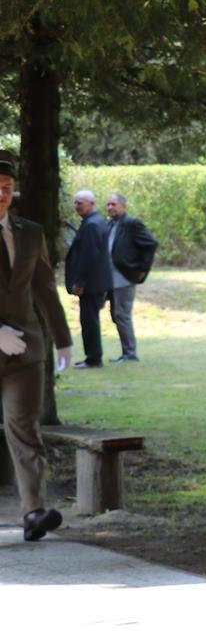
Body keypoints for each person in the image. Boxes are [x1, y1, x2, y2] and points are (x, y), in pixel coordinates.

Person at [0, 151, 74, 540]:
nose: (1, 193)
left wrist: (62, 340)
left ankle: (33, 512)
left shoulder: (30, 232)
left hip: (25, 351)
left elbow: (44, 289)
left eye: (7, 187)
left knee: (25, 430)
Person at [104, 193, 159, 363]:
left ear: (123, 206)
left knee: (122, 314)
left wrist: (142, 269)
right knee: (116, 315)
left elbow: (151, 243)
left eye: (113, 204)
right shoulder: (110, 224)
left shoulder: (131, 223)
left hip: (124, 277)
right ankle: (126, 351)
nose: (110, 207)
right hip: (110, 278)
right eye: (108, 204)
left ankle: (130, 353)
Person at [64, 189, 113, 369]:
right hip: (96, 282)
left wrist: (80, 282)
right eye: (75, 202)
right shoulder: (95, 221)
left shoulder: (92, 225)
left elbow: (89, 256)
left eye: (80, 203)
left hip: (91, 284)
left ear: (92, 204)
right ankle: (92, 356)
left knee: (89, 321)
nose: (77, 206)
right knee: (90, 320)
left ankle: (93, 358)